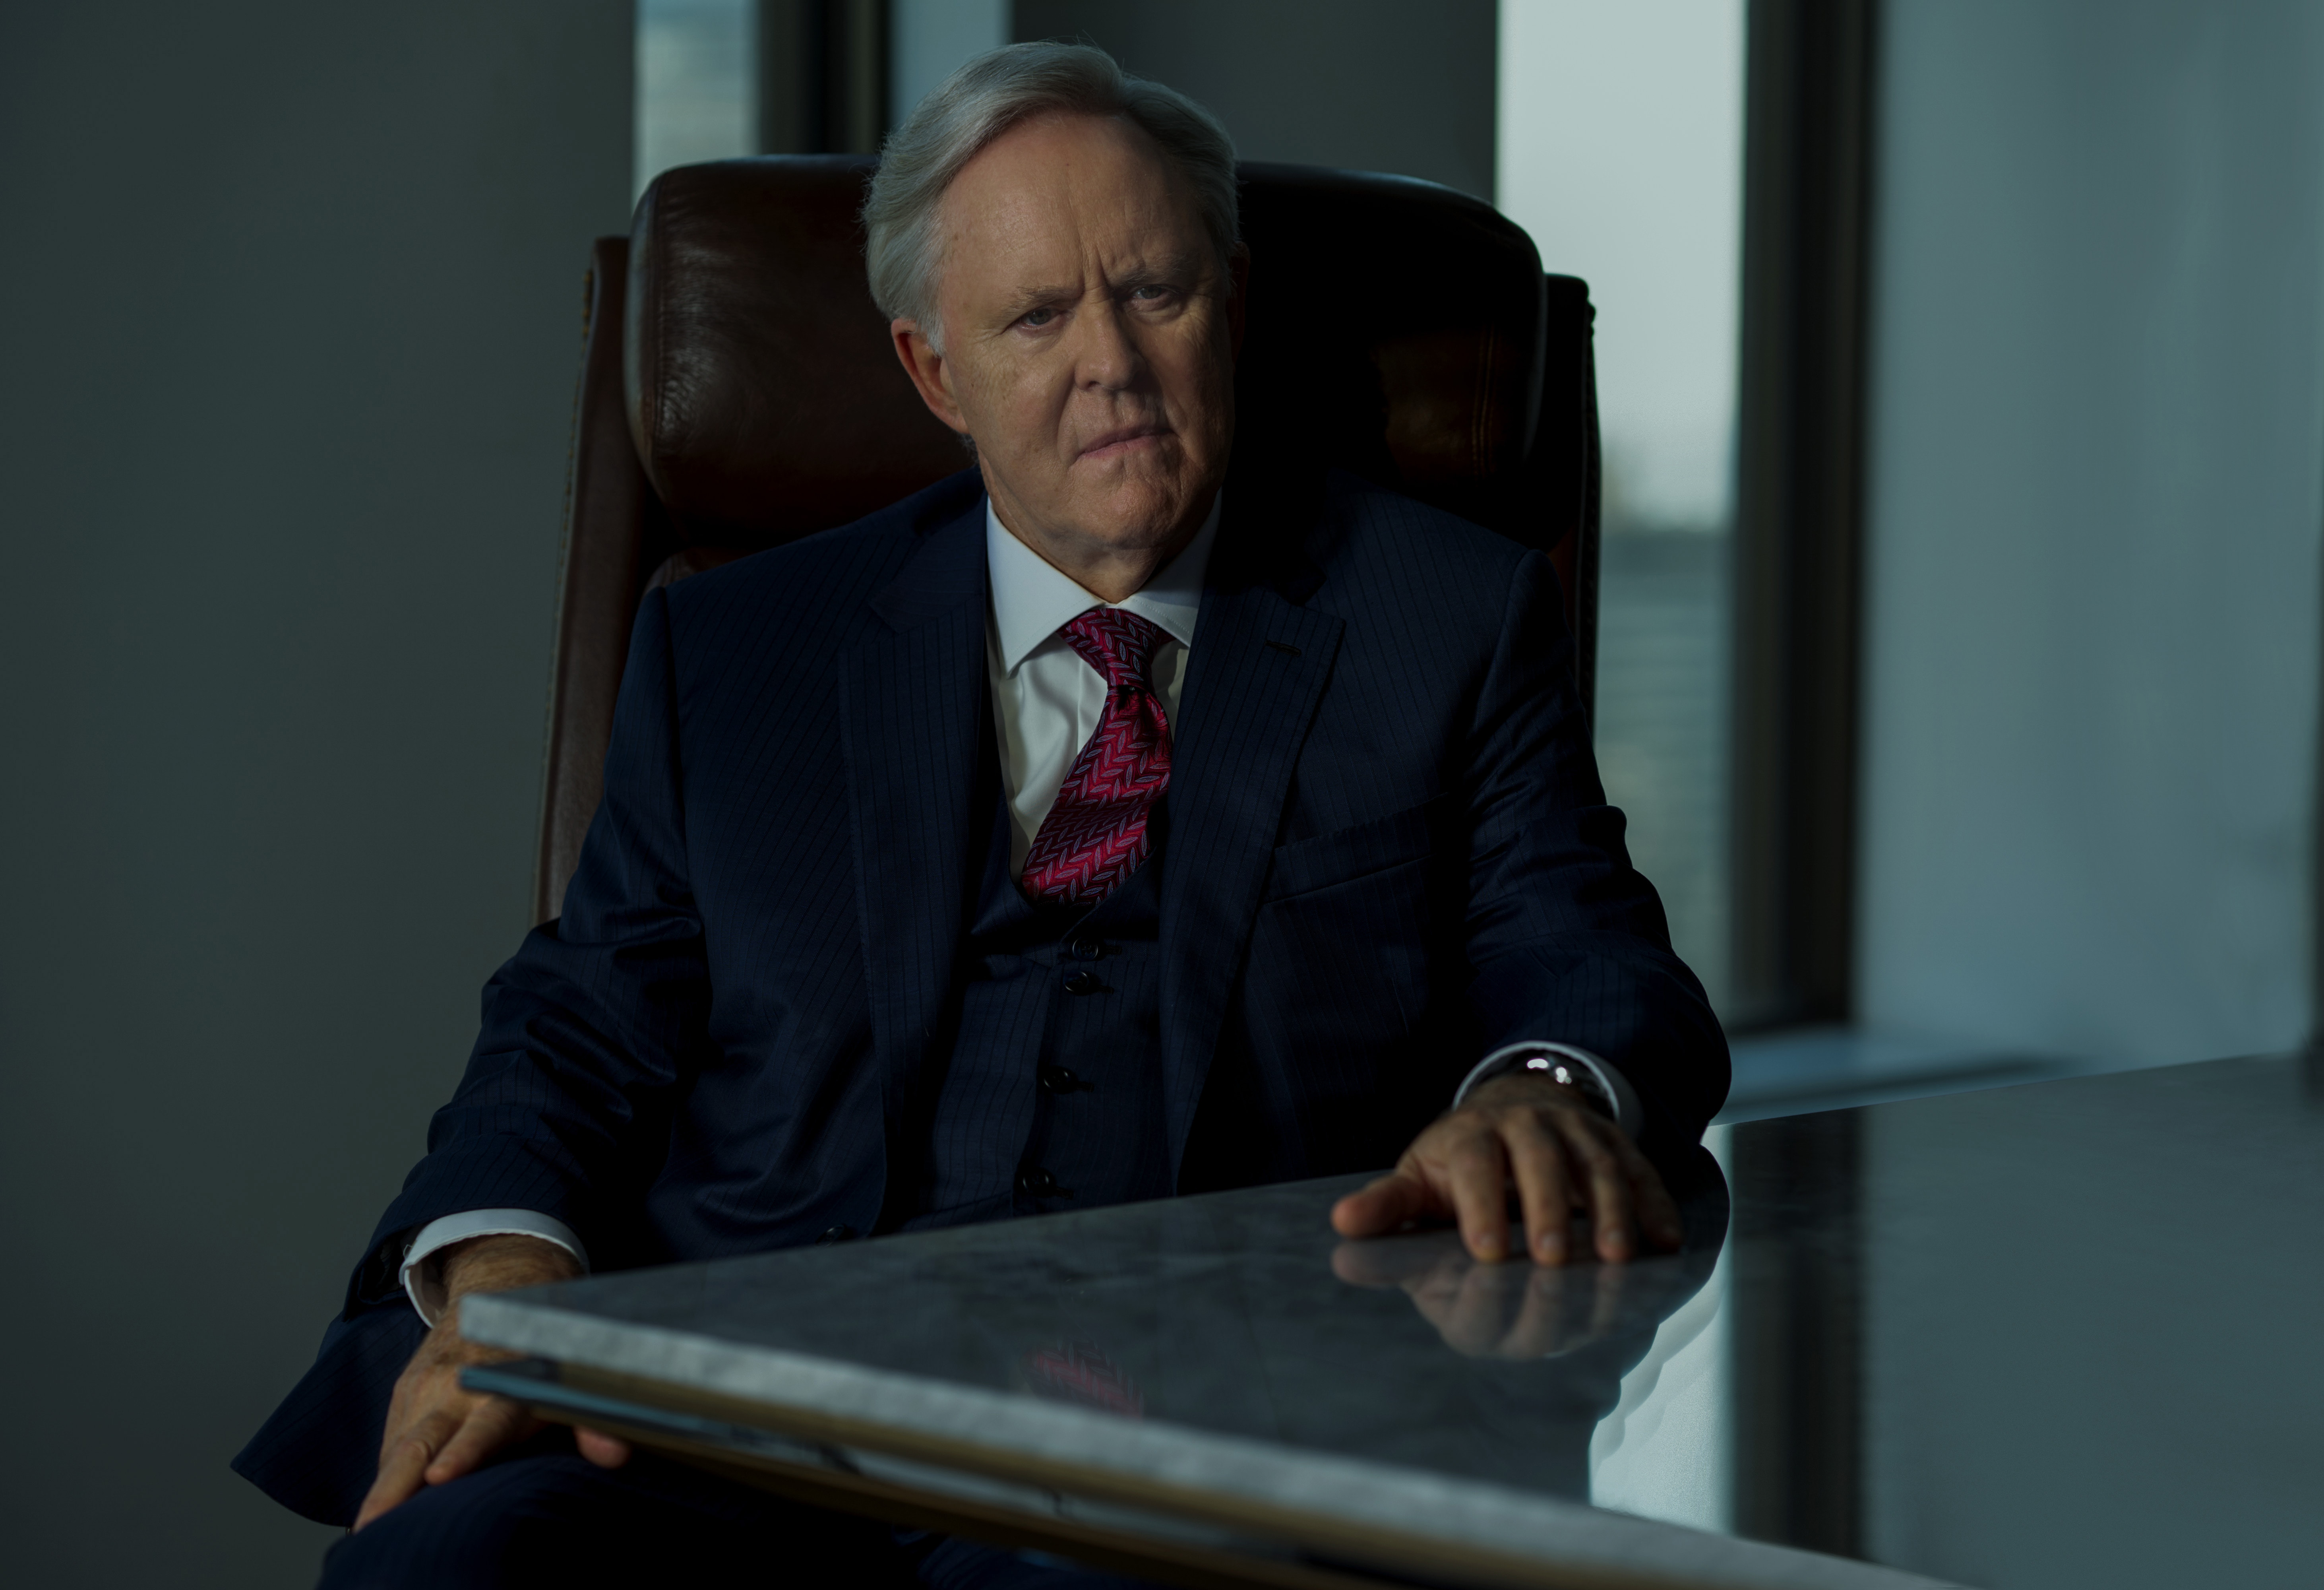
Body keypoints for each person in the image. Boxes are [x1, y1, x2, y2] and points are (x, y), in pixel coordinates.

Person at [236, 40, 1728, 1588]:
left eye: (1155, 293)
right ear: (936, 372)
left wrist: (1540, 1092)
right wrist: (505, 1260)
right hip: (733, 1416)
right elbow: (578, 1023)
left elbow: (1584, 948)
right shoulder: (737, 649)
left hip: (1194, 1432)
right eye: (1036, 316)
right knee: (441, 1564)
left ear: (1232, 302)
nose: (1112, 364)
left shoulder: (1444, 618)